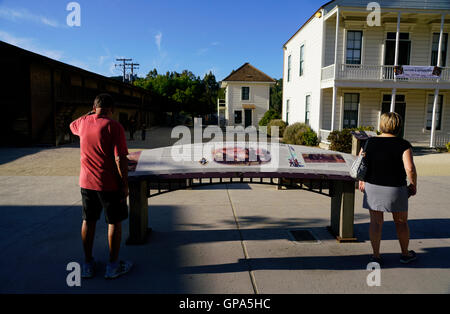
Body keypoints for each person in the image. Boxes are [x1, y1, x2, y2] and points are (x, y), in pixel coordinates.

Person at [70, 94, 133, 279]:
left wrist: (90, 113)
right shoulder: (114, 126)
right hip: (109, 184)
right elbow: (120, 158)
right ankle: (113, 266)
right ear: (112, 110)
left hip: (86, 183)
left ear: (94, 107)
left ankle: (88, 264)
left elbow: (72, 123)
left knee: (88, 221)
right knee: (114, 223)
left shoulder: (82, 123)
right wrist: (125, 184)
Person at [359, 112, 418, 265]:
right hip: (396, 189)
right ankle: (405, 254)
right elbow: (410, 168)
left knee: (376, 222)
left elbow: (360, 163)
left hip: (373, 187)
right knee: (401, 222)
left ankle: (376, 256)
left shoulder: (369, 142)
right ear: (399, 126)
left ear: (382, 124)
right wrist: (413, 184)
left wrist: (361, 181)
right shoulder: (403, 144)